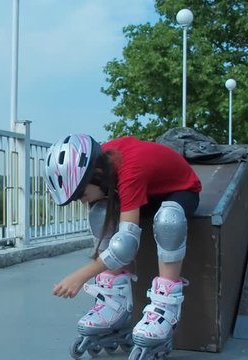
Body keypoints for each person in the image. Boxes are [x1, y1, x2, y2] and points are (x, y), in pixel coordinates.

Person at [44, 133, 201, 352]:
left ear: (96, 174)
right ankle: (114, 303)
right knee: (100, 211)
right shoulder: (99, 161)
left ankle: (166, 307)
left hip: (179, 190)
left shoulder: (130, 169)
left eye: (80, 193)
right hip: (147, 191)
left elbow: (127, 244)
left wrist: (80, 276)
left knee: (168, 219)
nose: (81, 200)